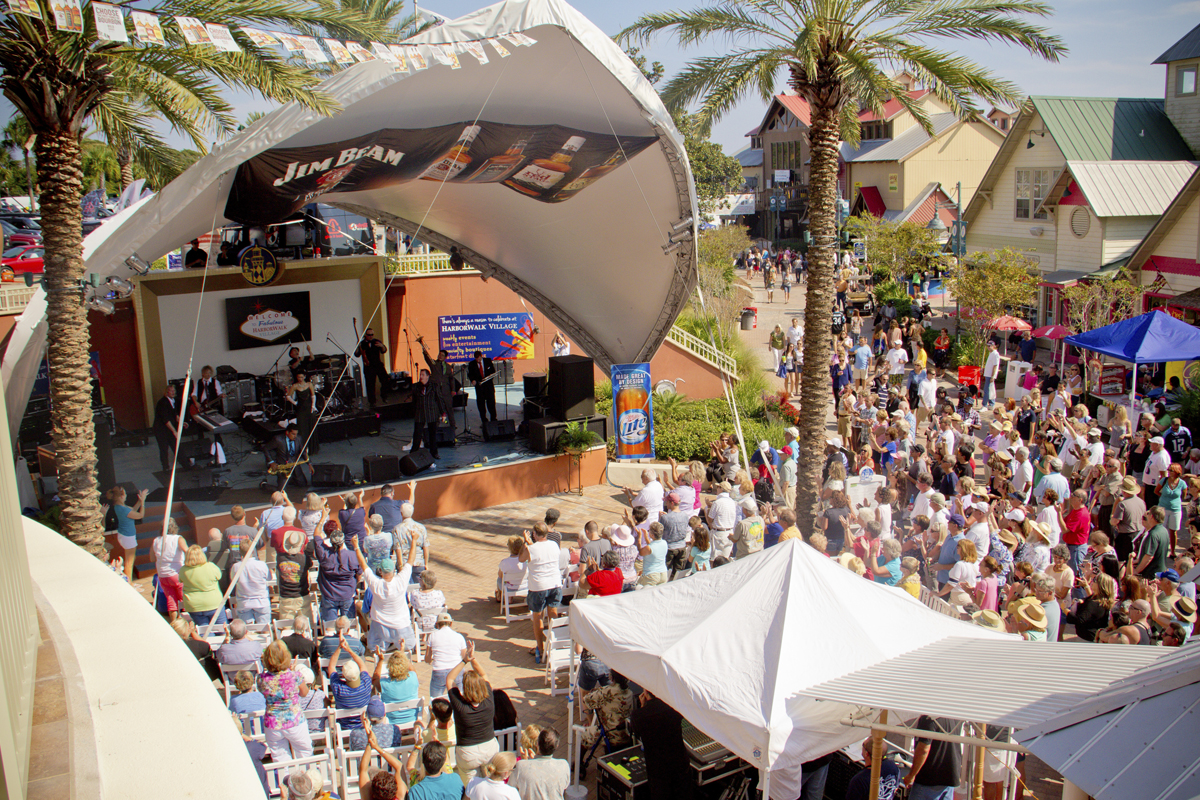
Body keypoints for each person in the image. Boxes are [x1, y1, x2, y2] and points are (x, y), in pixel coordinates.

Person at [354, 532, 419, 653]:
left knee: (376, 649)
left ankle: (382, 655)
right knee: (407, 647)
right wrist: (414, 540)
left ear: (380, 571)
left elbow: (364, 565)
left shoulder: (375, 583)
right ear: (394, 570)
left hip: (380, 626)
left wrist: (356, 547)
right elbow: (410, 560)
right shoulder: (401, 580)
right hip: (400, 625)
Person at [446, 641, 498, 783]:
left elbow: (450, 679)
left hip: (468, 753)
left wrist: (465, 660)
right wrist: (472, 659)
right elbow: (483, 673)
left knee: (471, 790)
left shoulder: (460, 706)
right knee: (491, 783)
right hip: (489, 748)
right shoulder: (488, 699)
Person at [631, 690, 693, 800]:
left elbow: (636, 732)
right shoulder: (674, 707)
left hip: (658, 772)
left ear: (645, 692)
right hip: (681, 766)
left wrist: (642, 706)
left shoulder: (638, 715)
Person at [257, 640, 313, 761]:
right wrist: (290, 671)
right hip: (294, 721)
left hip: (273, 723)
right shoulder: (295, 676)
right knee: (304, 753)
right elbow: (304, 693)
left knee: (279, 757)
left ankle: (285, 779)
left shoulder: (261, 679)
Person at [520, 523, 561, 664]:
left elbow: (521, 558)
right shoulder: (554, 545)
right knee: (553, 615)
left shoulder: (531, 548)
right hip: (555, 584)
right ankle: (553, 644)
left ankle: (540, 647)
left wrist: (526, 543)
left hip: (538, 586)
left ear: (535, 534)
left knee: (537, 616)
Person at [314, 521, 362, 623]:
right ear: (343, 541)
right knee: (348, 626)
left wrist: (322, 518)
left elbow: (316, 536)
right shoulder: (352, 556)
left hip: (329, 595)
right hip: (347, 595)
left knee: (330, 628)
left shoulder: (324, 554)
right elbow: (359, 575)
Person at [903, 716, 961, 800]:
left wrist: (911, 775)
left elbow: (923, 749)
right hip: (949, 778)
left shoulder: (929, 718)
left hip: (929, 780)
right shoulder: (954, 715)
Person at [511, 728, 570, 800]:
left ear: (537, 743)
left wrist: (526, 763)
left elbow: (510, 789)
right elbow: (565, 786)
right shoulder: (563, 765)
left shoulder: (521, 766)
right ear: (556, 746)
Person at [107, 486, 148, 583]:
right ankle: (129, 584)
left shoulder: (119, 506)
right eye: (125, 494)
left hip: (123, 535)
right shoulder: (124, 509)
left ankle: (129, 582)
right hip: (128, 537)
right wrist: (143, 503)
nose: (126, 496)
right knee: (129, 562)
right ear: (121, 497)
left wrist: (139, 500)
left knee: (130, 560)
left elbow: (132, 510)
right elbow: (140, 515)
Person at [180, 544, 225, 628]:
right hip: (214, 603)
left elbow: (180, 580)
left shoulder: (183, 570)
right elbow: (219, 576)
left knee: (204, 632)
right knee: (221, 629)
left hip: (194, 606)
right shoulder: (210, 566)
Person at [152, 518, 188, 621]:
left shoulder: (156, 540)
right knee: (184, 599)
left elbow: (151, 557)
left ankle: (174, 623)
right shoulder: (178, 539)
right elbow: (188, 552)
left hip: (163, 575)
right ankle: (189, 624)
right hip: (176, 574)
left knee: (171, 601)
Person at [427, 612, 469, 698]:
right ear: (451, 623)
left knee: (436, 700)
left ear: (437, 624)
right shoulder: (459, 636)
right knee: (461, 698)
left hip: (439, 670)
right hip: (457, 669)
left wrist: (431, 660)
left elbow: (427, 658)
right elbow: (465, 657)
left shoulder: (432, 636)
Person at [412, 368, 450, 460]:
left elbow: (439, 399)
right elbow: (414, 401)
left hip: (432, 412)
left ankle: (434, 453)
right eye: (420, 375)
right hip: (420, 412)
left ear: (428, 376)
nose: (421, 377)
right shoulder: (416, 386)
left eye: (423, 375)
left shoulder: (434, 386)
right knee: (417, 433)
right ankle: (413, 453)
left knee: (432, 434)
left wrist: (443, 412)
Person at [231, 539, 272, 624]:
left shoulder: (236, 567)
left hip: (244, 602)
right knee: (265, 629)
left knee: (247, 631)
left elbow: (233, 581)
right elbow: (269, 578)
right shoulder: (261, 565)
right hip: (261, 601)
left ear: (240, 551)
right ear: (253, 551)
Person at [276, 529, 312, 620]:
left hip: (286, 596)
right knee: (307, 624)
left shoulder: (279, 557)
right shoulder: (304, 558)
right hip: (302, 595)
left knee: (286, 626)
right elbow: (310, 565)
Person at [153, 383, 187, 472]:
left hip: (169, 428)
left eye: (174, 390)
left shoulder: (172, 401)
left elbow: (174, 415)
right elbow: (166, 420)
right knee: (164, 449)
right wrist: (174, 431)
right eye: (171, 391)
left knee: (176, 446)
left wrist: (182, 423)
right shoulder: (163, 403)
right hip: (161, 430)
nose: (173, 392)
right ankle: (165, 467)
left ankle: (185, 464)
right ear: (166, 392)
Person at [265, 424, 310, 489]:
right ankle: (264, 485)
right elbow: (266, 448)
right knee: (281, 489)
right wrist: (271, 462)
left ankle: (291, 479)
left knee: (303, 484)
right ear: (287, 432)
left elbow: (303, 452)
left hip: (294, 464)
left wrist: (309, 463)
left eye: (296, 434)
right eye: (293, 434)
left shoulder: (299, 438)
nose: (295, 436)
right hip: (283, 465)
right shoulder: (278, 439)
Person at [286, 371, 320, 457]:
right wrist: (295, 403)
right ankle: (303, 448)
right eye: (298, 377)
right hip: (300, 409)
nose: (300, 379)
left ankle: (312, 448)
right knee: (302, 428)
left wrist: (313, 406)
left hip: (309, 408)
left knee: (311, 426)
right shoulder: (295, 386)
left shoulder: (309, 384)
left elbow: (313, 395)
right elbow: (288, 396)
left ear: (304, 376)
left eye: (301, 377)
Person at [355, 327, 390, 406]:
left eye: (372, 334)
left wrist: (382, 346)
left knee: (385, 379)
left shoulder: (376, 341)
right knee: (370, 384)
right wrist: (357, 347)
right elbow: (356, 354)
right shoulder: (362, 344)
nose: (371, 336)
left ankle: (384, 395)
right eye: (369, 335)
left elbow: (384, 351)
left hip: (378, 364)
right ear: (365, 335)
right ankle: (372, 401)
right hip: (369, 366)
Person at [1134, 506, 1171, 579]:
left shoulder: (1153, 534)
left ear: (1151, 516)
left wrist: (1136, 571)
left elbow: (1148, 556)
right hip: (1161, 572)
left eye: (1148, 514)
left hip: (1151, 574)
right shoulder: (1164, 530)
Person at [466, 349, 498, 427]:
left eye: (479, 358)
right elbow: (470, 374)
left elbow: (493, 371)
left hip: (488, 386)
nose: (478, 360)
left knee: (491, 403)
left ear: (481, 356)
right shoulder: (471, 364)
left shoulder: (488, 361)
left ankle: (493, 419)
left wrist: (488, 379)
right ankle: (484, 420)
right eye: (476, 359)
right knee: (481, 405)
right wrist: (473, 380)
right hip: (479, 387)